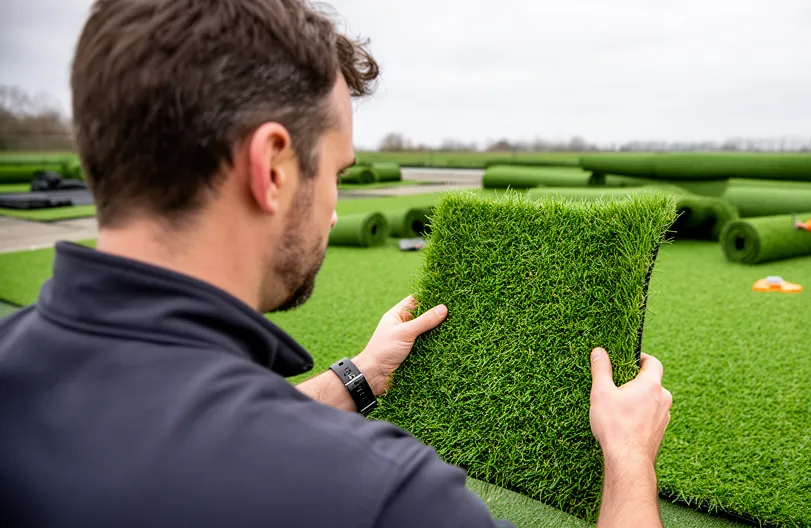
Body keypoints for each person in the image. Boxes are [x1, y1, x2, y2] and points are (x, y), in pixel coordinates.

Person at [0, 0, 673, 526]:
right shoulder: (376, 492)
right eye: (338, 175)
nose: (333, 209)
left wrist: (359, 376)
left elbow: (172, 433)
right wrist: (628, 460)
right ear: (272, 168)